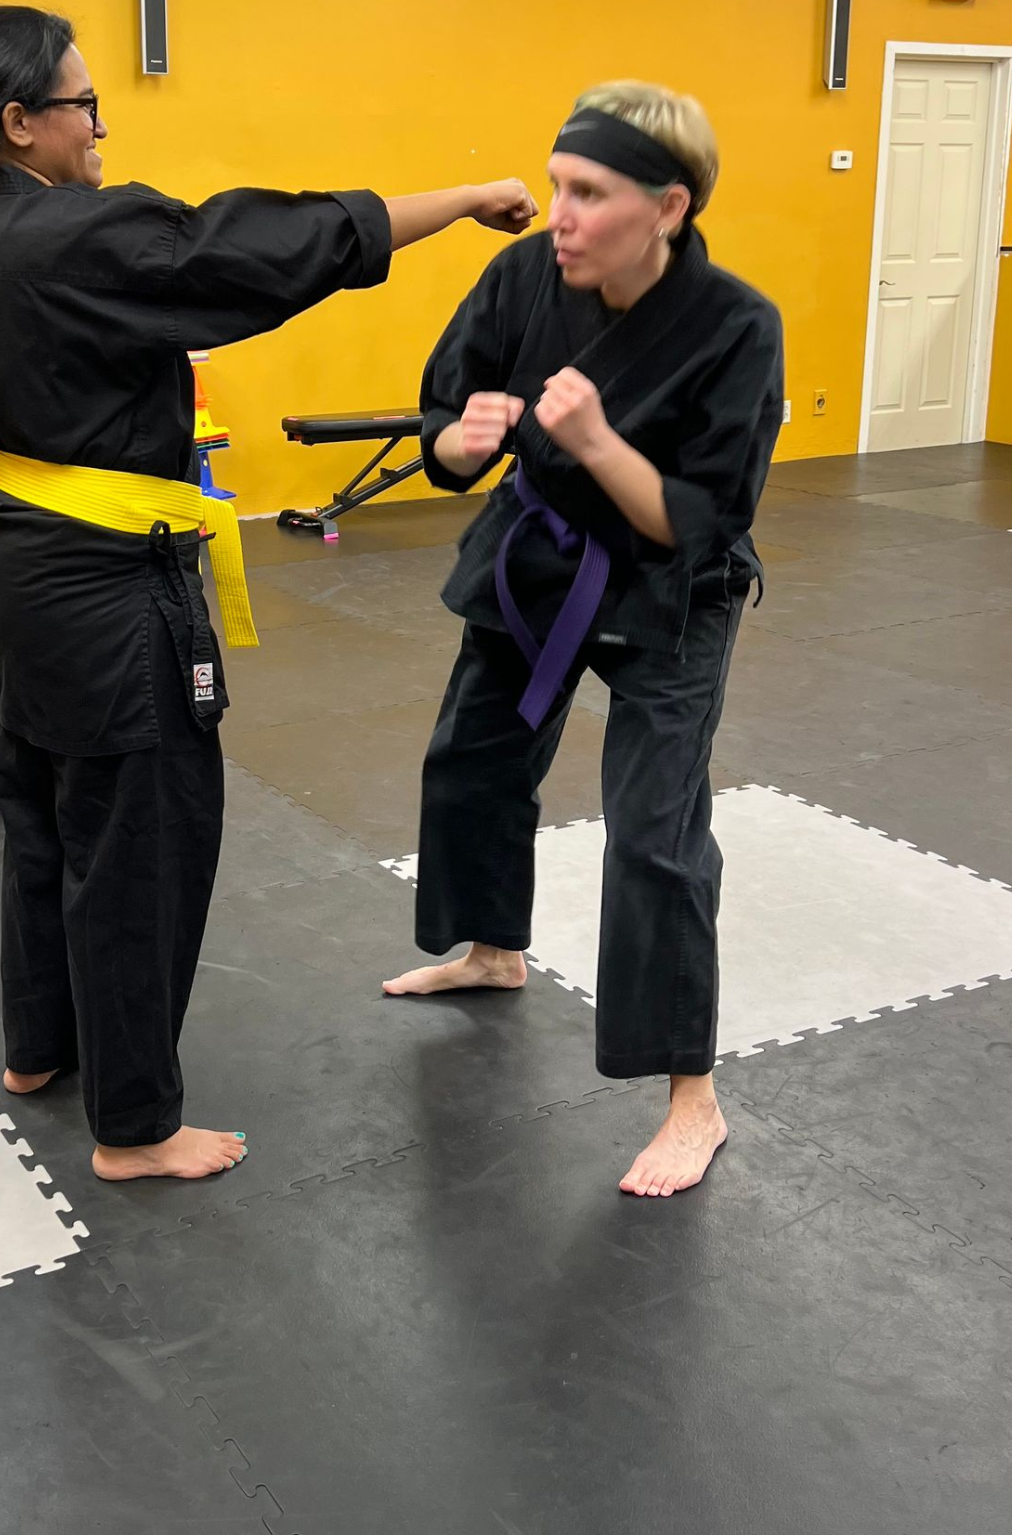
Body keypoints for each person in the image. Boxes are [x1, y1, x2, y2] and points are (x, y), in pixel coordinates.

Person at [0, 4, 536, 1183]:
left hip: (11, 562)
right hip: (102, 584)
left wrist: (38, 476)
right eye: (82, 103)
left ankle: (40, 1048)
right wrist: (459, 200)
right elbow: (261, 247)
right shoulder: (72, 237)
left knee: (40, 811)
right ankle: (134, 1126)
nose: (98, 124)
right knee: (138, 843)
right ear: (21, 122)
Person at [381, 81, 784, 1200]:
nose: (557, 213)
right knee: (472, 755)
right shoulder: (523, 276)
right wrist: (461, 445)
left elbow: (697, 519)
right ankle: (490, 947)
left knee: (655, 832)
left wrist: (599, 442)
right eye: (556, 185)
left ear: (668, 206)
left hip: (671, 586)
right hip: (539, 557)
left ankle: (690, 1095)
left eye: (589, 193)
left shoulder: (737, 326)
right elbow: (445, 427)